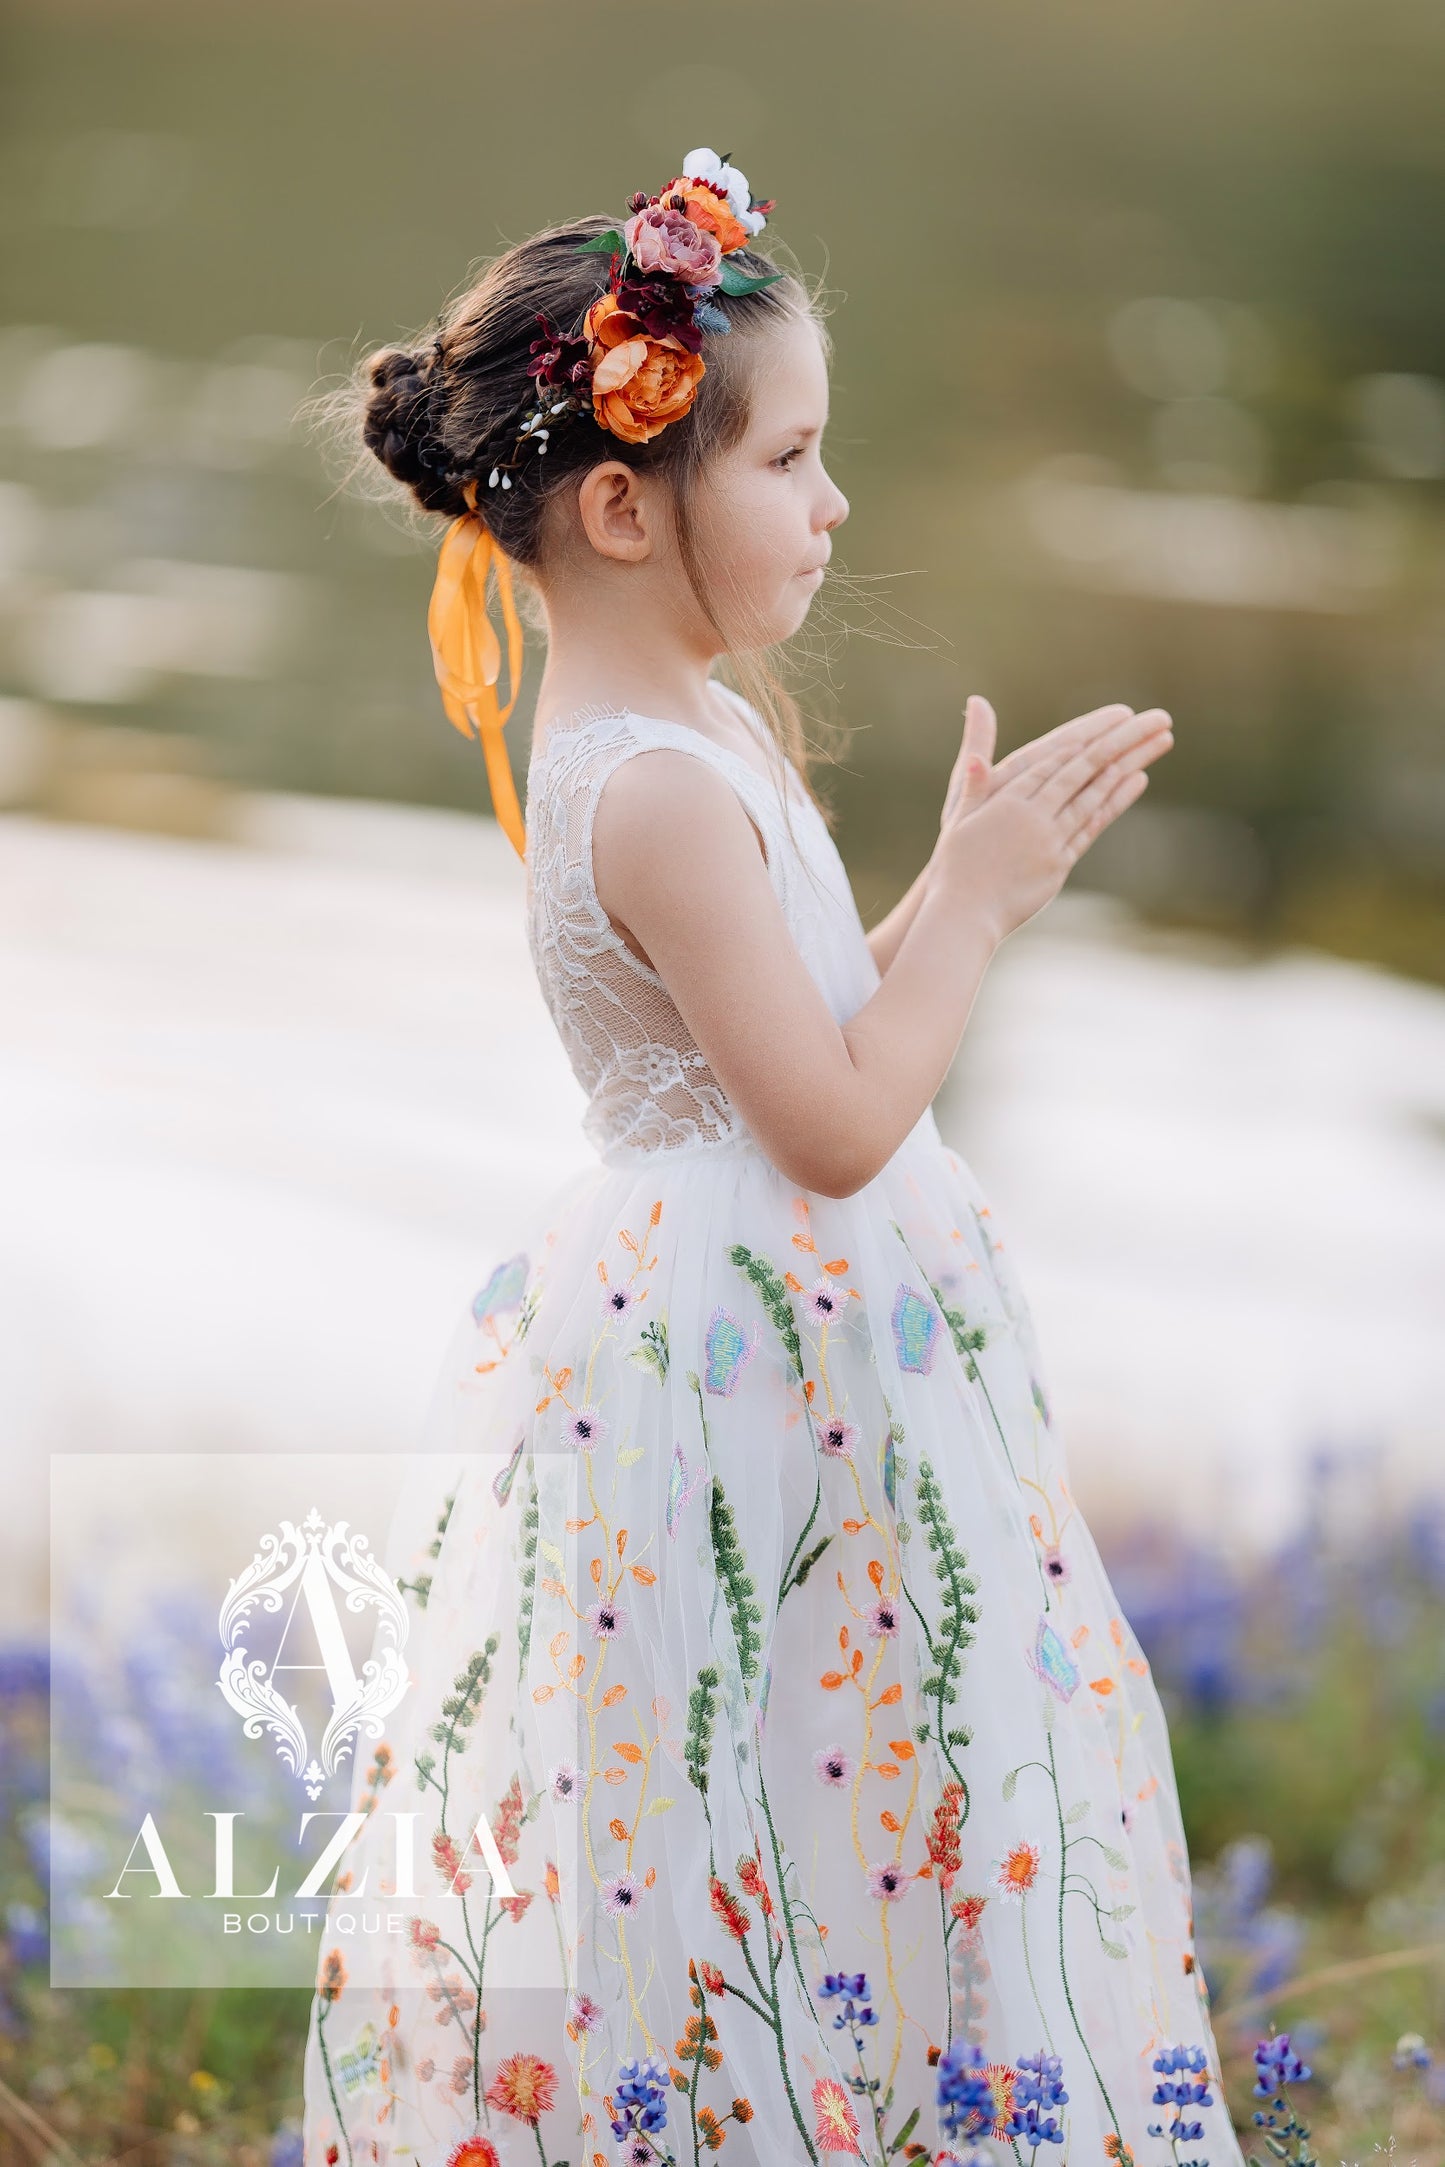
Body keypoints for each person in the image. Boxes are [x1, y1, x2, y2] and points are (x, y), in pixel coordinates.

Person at [302, 150, 1244, 2167]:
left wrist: (945, 897)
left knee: (846, 1768)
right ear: (631, 506)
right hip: (733, 1368)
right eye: (794, 459)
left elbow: (791, 1046)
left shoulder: (703, 738)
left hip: (785, 1358)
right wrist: (969, 922)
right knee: (740, 1783)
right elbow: (827, 1129)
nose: (831, 505)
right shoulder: (645, 795)